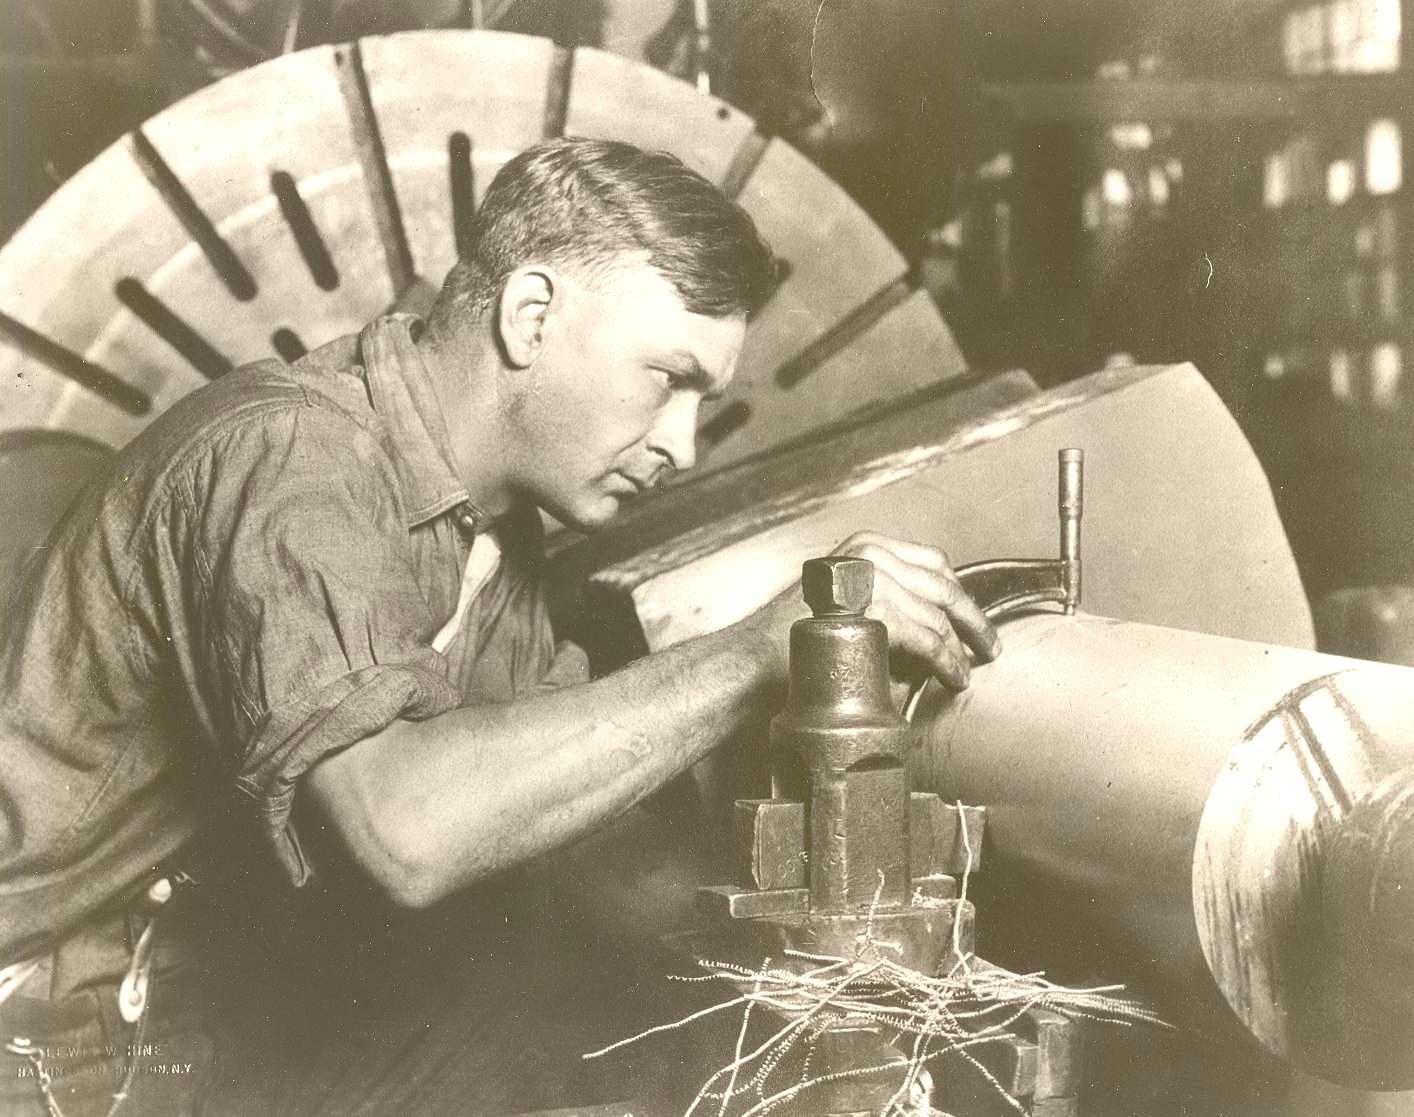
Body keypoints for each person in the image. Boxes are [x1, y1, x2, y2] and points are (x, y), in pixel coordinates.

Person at [0, 137, 999, 1115]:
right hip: (47, 1051)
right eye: (668, 377)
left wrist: (848, 955)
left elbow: (587, 844)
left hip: (179, 1020)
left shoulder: (485, 534)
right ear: (530, 316)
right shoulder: (293, 461)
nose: (681, 445)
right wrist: (756, 651)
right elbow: (407, 833)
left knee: (646, 1030)